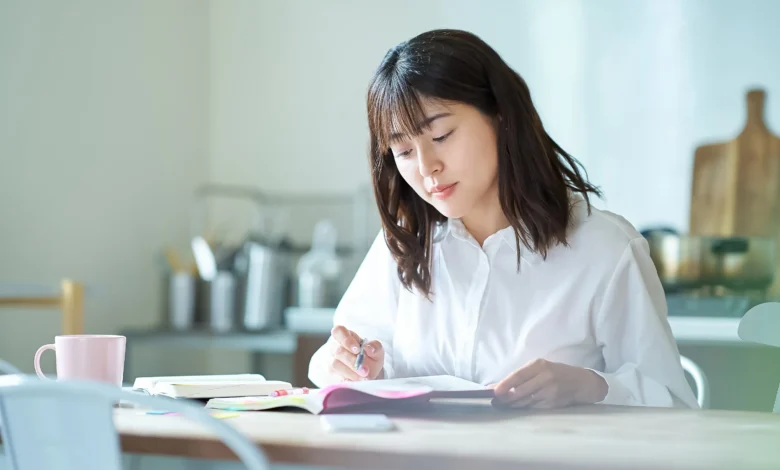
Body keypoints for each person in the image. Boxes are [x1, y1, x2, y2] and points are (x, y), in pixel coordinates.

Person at [308, 29, 698, 409]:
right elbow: (342, 359)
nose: (428, 167)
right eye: (404, 151)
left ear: (499, 115)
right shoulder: (407, 241)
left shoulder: (604, 248)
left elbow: (675, 403)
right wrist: (347, 364)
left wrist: (590, 386)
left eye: (441, 136)